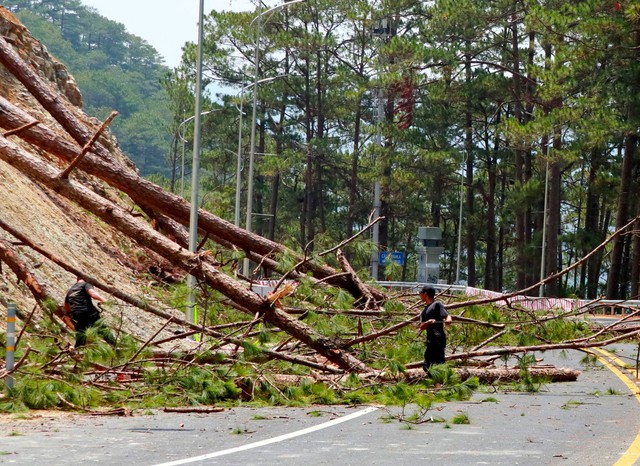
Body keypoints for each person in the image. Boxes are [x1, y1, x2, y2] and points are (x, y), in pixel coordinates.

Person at [64, 277, 116, 348]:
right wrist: (104, 300)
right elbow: (93, 294)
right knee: (102, 328)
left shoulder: (70, 290)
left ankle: (78, 350)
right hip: (88, 312)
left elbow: (67, 306)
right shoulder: (85, 284)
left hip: (77, 315)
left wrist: (69, 314)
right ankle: (115, 347)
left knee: (81, 334)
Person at [418, 286, 452, 374]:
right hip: (430, 340)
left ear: (425, 294)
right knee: (427, 365)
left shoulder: (437, 304)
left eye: (421, 293)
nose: (420, 295)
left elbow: (447, 316)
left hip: (438, 338)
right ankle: (438, 383)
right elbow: (421, 326)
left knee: (439, 362)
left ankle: (441, 383)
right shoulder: (424, 311)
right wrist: (428, 322)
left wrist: (448, 320)